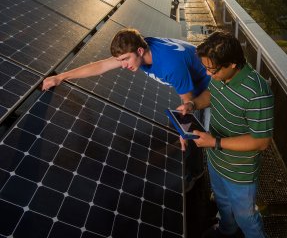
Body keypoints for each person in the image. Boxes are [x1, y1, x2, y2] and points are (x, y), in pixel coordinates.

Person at [42, 28, 210, 189]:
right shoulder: (139, 47)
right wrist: (60, 77)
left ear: (140, 51)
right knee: (180, 130)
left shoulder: (170, 66)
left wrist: (184, 132)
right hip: (190, 79)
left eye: (126, 59)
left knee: (187, 135)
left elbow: (188, 103)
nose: (123, 65)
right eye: (120, 60)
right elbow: (100, 66)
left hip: (210, 87)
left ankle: (195, 173)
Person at [178, 31, 274, 238]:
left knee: (246, 217)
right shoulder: (220, 76)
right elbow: (211, 95)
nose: (208, 74)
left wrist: (215, 142)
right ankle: (226, 231)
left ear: (231, 64)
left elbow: (262, 141)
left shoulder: (258, 93)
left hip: (239, 172)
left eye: (211, 70)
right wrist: (193, 104)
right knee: (222, 202)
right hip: (215, 159)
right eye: (205, 68)